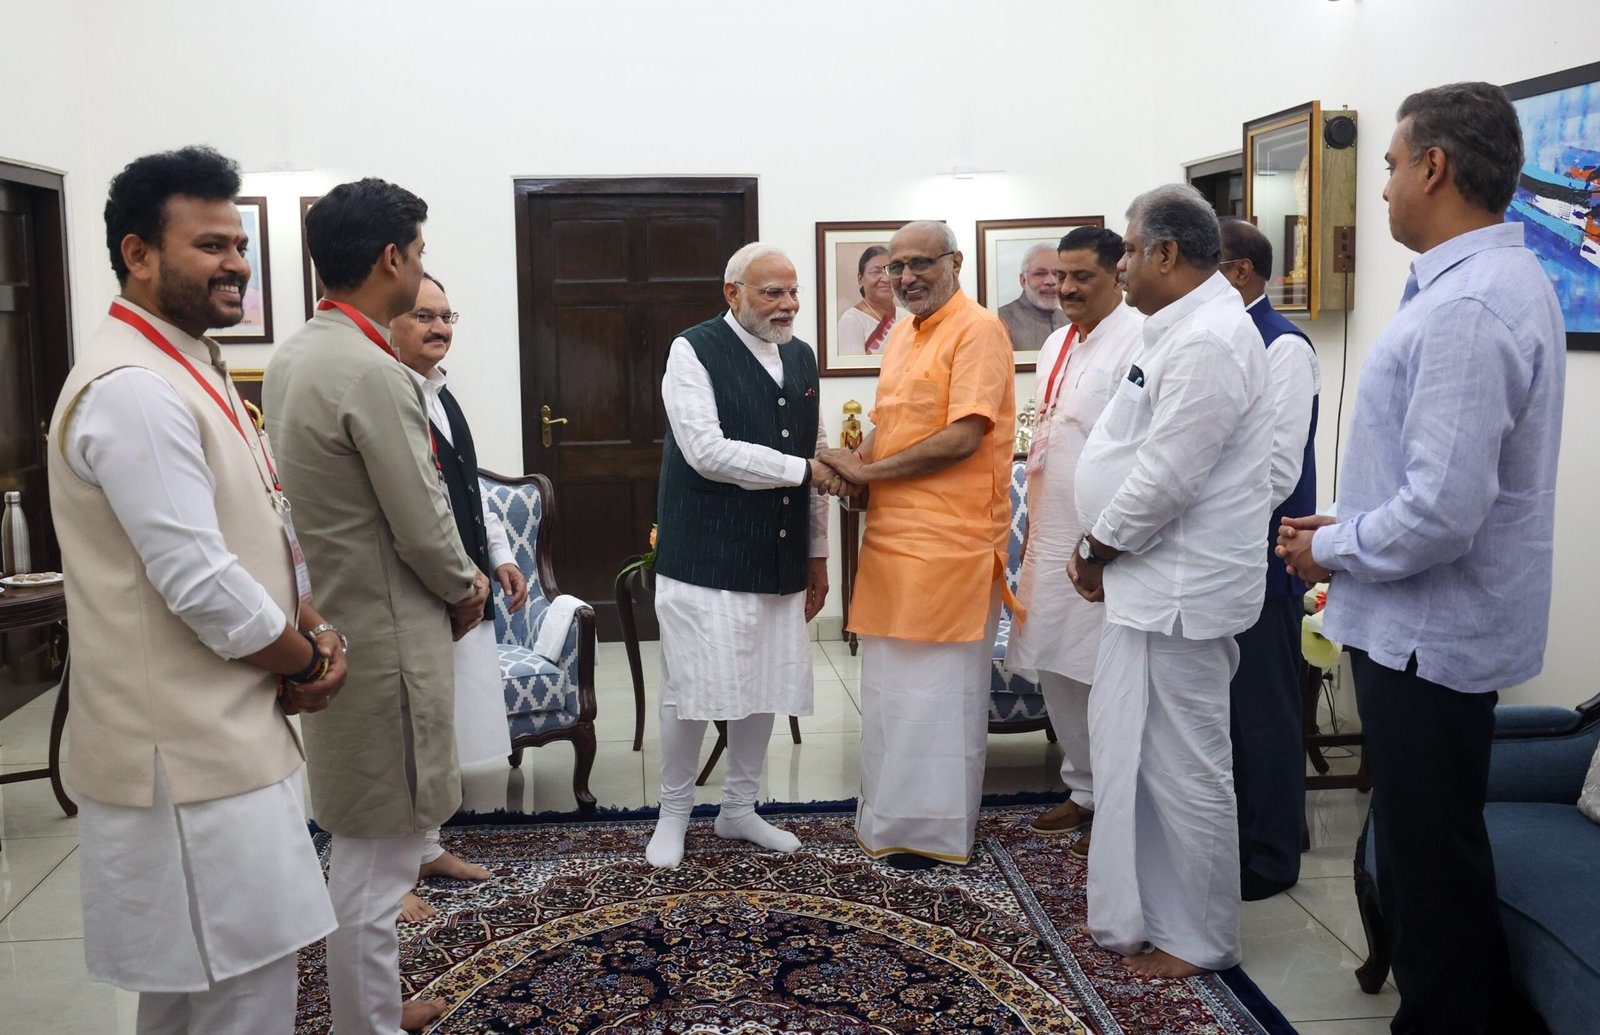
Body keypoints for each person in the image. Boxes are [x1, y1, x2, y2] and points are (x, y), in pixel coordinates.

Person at [1277, 82, 1565, 1033]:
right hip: (1422, 626)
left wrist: (1335, 548)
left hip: (1427, 636)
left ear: (1434, 166)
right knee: (1424, 848)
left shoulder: (1470, 306)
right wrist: (1347, 534)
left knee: (1434, 866)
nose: (1388, 186)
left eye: (1393, 166)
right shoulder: (1473, 287)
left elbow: (1442, 512)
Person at [48, 145, 344, 1033]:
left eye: (239, 244)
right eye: (210, 244)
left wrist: (309, 620)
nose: (237, 264)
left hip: (222, 735)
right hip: (184, 755)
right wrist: (306, 661)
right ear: (138, 254)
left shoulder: (189, 362)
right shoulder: (134, 387)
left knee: (196, 994)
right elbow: (201, 580)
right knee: (240, 994)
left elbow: (254, 520)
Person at [264, 178, 490, 1034]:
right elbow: (422, 521)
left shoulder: (296, 354)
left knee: (370, 837)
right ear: (392, 258)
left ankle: (374, 1005)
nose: (421, 268)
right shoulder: (371, 369)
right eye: (420, 252)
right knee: (380, 854)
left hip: (341, 621)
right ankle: (366, 1023)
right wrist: (467, 587)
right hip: (389, 642)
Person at [1068, 183, 1272, 978]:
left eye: (1127, 248)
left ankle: (1201, 936)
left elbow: (1169, 474)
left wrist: (1098, 546)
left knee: (1185, 768)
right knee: (1136, 761)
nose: (1120, 265)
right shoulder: (1177, 328)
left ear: (1164, 253)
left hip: (1179, 591)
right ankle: (1147, 912)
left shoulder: (1211, 339)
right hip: (1149, 588)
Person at [821, 220, 1015, 870]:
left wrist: (866, 472)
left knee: (940, 701)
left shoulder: (979, 329)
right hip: (891, 542)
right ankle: (888, 823)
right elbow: (889, 427)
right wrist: (853, 472)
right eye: (897, 266)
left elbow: (965, 435)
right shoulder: (903, 332)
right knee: (887, 696)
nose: (906, 278)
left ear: (956, 262)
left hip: (951, 546)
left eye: (921, 264)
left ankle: (935, 835)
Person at [645, 242, 840, 869]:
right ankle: (673, 815)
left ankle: (738, 810)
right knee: (691, 687)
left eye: (792, 292)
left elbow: (820, 452)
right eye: (771, 292)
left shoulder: (802, 357)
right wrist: (804, 470)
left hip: (777, 554)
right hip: (704, 554)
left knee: (764, 683)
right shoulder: (692, 350)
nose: (787, 305)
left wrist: (817, 555)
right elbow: (706, 450)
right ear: (732, 294)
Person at [389, 273, 530, 923]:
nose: (440, 327)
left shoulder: (443, 393)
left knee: (439, 734)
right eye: (424, 315)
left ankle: (426, 848)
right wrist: (458, 578)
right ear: (389, 321)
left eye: (448, 315)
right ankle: (389, 877)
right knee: (406, 739)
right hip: (417, 597)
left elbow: (468, 493)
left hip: (465, 589)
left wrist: (499, 557)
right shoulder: (388, 396)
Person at [1007, 226, 1143, 857]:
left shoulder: (1139, 339)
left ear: (1119, 275)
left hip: (1105, 536)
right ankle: (1082, 788)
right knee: (1057, 661)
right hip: (1052, 524)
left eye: (1082, 277)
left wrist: (1104, 540)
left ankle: (1120, 798)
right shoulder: (1058, 340)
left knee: (1102, 670)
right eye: (1060, 277)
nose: (1066, 289)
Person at [1216, 217, 1320, 901]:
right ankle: (1240, 838)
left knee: (1265, 716)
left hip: (1262, 557)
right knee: (1229, 718)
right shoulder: (1221, 336)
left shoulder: (1283, 346)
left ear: (1242, 272)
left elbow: (1278, 468)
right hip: (1219, 559)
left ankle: (1275, 854)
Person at [997, 242, 1068, 351]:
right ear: (1023, 280)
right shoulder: (1000, 321)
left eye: (1057, 274)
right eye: (1040, 273)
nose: (1051, 281)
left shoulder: (1070, 320)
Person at [835, 245, 897, 356]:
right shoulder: (851, 320)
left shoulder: (907, 316)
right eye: (876, 272)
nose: (886, 279)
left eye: (891, 270)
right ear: (860, 279)